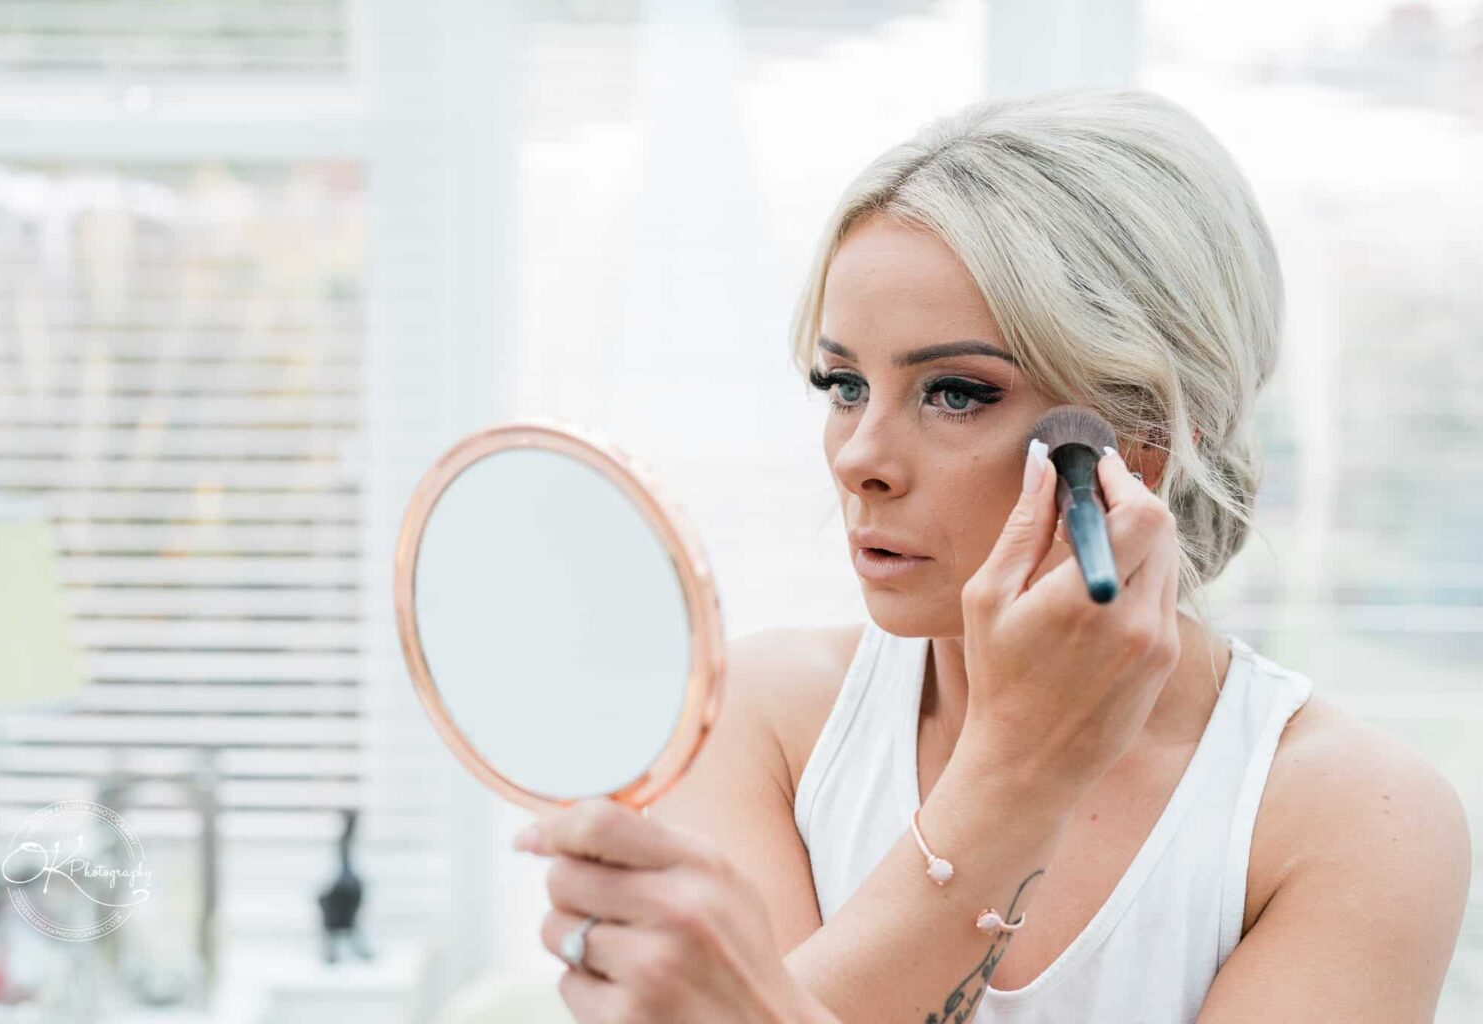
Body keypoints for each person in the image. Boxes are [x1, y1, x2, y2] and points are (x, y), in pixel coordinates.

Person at [511, 87, 1472, 1023]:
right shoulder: (758, 722)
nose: (859, 459)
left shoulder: (1356, 814)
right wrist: (1018, 772)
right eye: (842, 383)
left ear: (1139, 441)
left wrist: (1026, 765)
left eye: (956, 392)